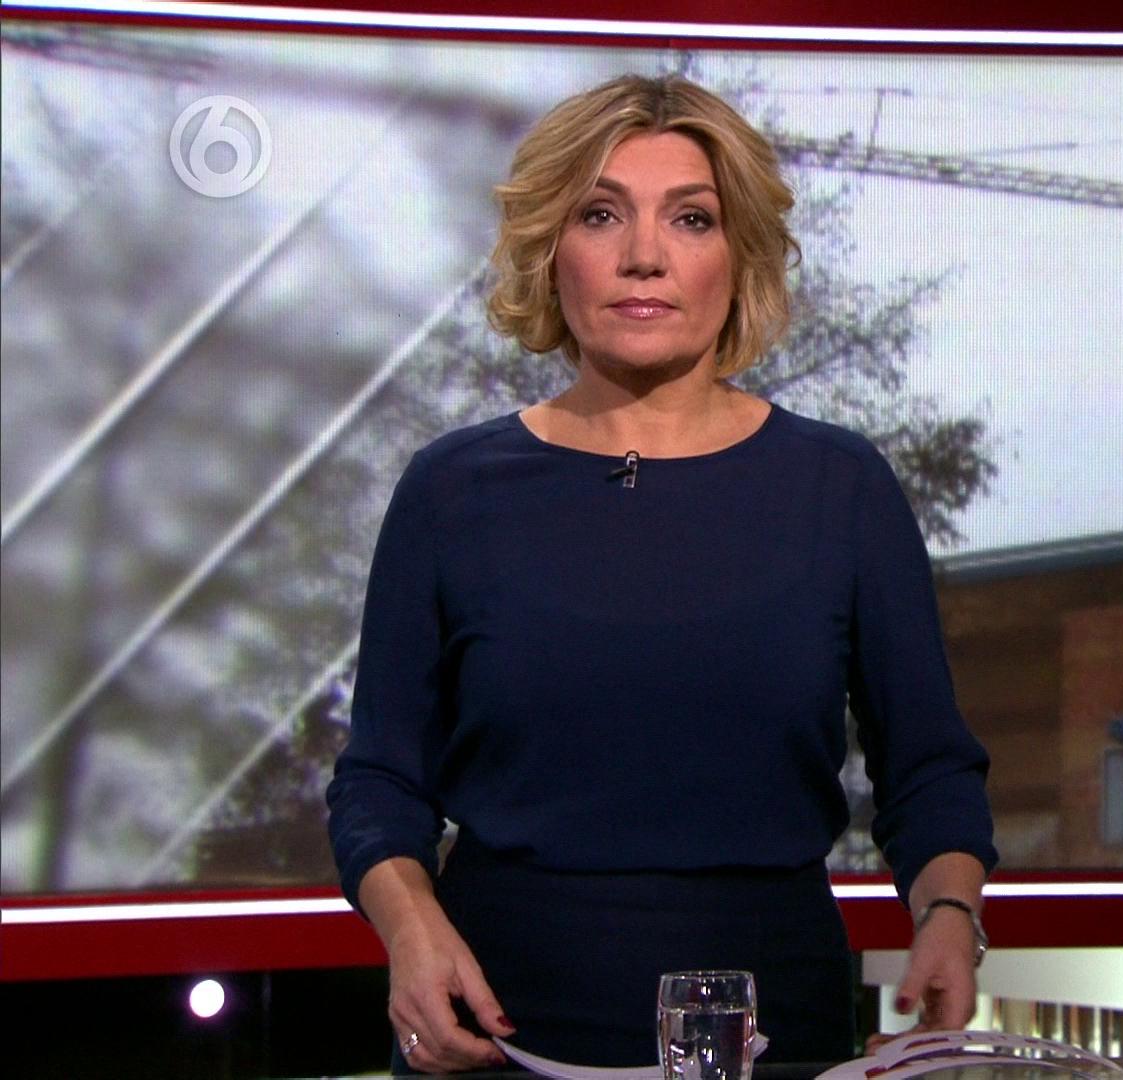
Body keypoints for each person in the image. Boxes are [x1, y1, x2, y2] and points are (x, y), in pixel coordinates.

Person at [326, 74, 997, 1075]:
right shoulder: (449, 489)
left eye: (691, 218)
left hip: (774, 1027)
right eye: (601, 214)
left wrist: (948, 913)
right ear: (551, 249)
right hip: (496, 1034)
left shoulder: (841, 485)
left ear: (740, 257)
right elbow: (381, 778)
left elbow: (929, 769)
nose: (643, 255)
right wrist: (410, 927)